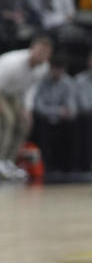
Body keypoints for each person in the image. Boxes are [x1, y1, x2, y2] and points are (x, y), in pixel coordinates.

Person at [0, 36, 52, 179]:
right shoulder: (13, 63)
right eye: (40, 51)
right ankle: (0, 159)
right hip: (1, 91)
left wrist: (27, 109)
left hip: (14, 95)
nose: (43, 55)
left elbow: (30, 89)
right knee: (8, 120)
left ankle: (9, 161)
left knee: (24, 124)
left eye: (46, 53)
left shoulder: (44, 67)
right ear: (32, 50)